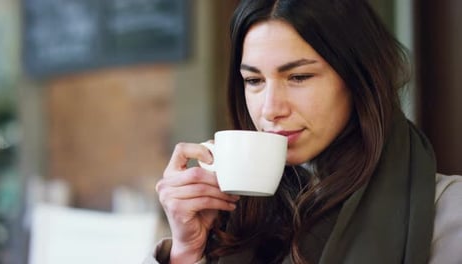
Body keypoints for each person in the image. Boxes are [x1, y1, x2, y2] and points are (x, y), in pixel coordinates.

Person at [145, 0, 462, 263]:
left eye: (298, 77)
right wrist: (186, 251)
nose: (270, 109)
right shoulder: (225, 218)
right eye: (254, 81)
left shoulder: (445, 211)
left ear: (357, 78)